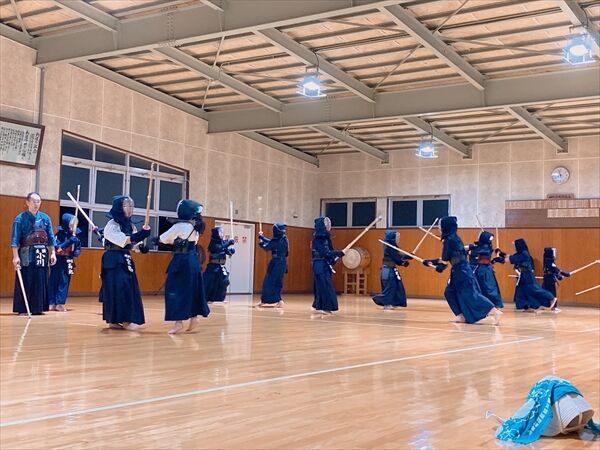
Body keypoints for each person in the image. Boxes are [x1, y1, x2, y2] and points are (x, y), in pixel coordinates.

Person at [423, 216, 502, 325]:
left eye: (440, 226)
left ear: (446, 227)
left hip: (462, 271)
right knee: (450, 292)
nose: (439, 229)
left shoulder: (450, 240)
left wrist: (437, 266)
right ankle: (461, 316)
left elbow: (445, 260)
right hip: (458, 270)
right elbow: (448, 258)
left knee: (471, 294)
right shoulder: (453, 238)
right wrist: (431, 262)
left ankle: (494, 311)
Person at [156, 200, 210, 334]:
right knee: (192, 289)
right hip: (193, 260)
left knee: (175, 290)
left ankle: (178, 323)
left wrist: (156, 239)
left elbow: (164, 238)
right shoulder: (195, 227)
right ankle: (194, 318)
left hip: (181, 261)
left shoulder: (180, 226)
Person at [99, 196, 150, 331]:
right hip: (113, 260)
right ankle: (117, 320)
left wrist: (142, 247)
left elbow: (134, 245)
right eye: (126, 206)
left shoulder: (130, 225)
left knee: (128, 288)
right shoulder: (111, 225)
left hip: (125, 259)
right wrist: (141, 234)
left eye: (131, 206)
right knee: (117, 289)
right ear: (119, 208)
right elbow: (125, 240)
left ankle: (126, 318)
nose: (130, 209)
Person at [11, 192, 57, 315]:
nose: (36, 204)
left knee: (40, 279)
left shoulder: (45, 218)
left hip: (42, 253)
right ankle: (23, 308)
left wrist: (53, 253)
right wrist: (15, 256)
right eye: (33, 201)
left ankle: (38, 307)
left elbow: (51, 237)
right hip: (27, 253)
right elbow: (15, 239)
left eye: (38, 201)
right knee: (27, 279)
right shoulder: (20, 218)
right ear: (27, 203)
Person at [509, 239, 557, 312]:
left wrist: (500, 256)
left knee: (534, 288)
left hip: (527, 275)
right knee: (520, 291)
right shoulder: (520, 254)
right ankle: (526, 306)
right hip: (523, 275)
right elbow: (511, 258)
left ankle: (551, 297)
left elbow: (510, 259)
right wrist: (500, 254)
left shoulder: (524, 254)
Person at [48, 213, 82, 312]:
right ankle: (51, 302)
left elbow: (77, 248)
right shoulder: (58, 235)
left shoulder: (75, 236)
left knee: (64, 281)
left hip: (68, 260)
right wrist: (68, 242)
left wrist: (76, 251)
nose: (73, 227)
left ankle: (60, 303)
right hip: (58, 259)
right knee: (53, 280)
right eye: (71, 224)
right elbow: (57, 248)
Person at [311, 216, 344, 315]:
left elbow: (328, 252)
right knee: (324, 285)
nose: (328, 226)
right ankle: (325, 307)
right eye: (326, 224)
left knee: (322, 285)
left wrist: (333, 259)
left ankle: (320, 305)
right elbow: (325, 252)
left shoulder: (324, 238)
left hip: (323, 264)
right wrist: (338, 253)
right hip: (320, 265)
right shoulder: (320, 239)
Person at [372, 230, 411, 309]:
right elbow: (397, 257)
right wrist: (406, 257)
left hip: (391, 269)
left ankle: (393, 302)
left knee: (396, 286)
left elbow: (398, 258)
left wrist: (405, 261)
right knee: (390, 287)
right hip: (387, 270)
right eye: (397, 237)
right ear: (392, 238)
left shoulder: (393, 247)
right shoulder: (388, 246)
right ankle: (384, 302)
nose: (398, 239)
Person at [256, 223, 289, 308]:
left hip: (277, 264)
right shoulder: (283, 239)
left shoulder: (278, 241)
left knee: (269, 282)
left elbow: (267, 247)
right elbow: (271, 242)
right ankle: (269, 300)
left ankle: (276, 300)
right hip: (281, 263)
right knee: (276, 282)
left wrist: (261, 243)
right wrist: (262, 237)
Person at [471, 231, 504, 309]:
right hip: (481, 269)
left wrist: (498, 254)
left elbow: (485, 253)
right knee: (483, 287)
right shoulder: (482, 247)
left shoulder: (485, 247)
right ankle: (486, 304)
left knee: (489, 287)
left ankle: (493, 304)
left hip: (486, 269)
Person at [204, 227, 235, 303]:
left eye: (222, 232)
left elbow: (226, 250)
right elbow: (219, 248)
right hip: (213, 267)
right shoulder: (213, 243)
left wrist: (231, 251)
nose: (221, 234)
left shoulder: (223, 243)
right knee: (210, 283)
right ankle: (207, 298)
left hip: (221, 266)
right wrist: (229, 243)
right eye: (220, 232)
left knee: (224, 281)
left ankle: (219, 298)